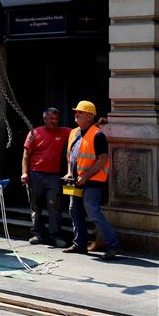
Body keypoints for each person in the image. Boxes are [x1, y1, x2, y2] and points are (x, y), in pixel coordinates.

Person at [62, 100, 120, 259]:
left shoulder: (98, 134)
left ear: (89, 116)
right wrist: (69, 173)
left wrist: (85, 176)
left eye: (80, 112)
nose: (76, 114)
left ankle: (113, 246)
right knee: (75, 211)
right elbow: (70, 157)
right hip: (76, 181)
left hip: (93, 181)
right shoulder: (74, 132)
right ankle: (79, 244)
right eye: (77, 111)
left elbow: (102, 160)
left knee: (93, 213)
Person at [21, 107, 70, 248]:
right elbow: (26, 155)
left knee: (54, 205)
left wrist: (98, 123)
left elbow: (81, 130)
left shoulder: (63, 132)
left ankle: (55, 235)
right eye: (51, 119)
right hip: (35, 174)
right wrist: (24, 173)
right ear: (44, 119)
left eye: (56, 119)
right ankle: (38, 234)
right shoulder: (34, 133)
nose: (54, 121)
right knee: (35, 206)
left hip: (53, 176)